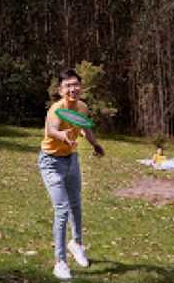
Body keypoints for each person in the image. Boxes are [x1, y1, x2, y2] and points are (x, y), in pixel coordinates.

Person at [38, 69, 105, 281]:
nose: (72, 89)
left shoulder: (82, 107)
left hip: (71, 160)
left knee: (76, 204)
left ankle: (76, 244)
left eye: (75, 85)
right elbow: (51, 131)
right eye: (67, 85)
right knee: (62, 209)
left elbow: (85, 128)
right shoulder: (55, 110)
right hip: (51, 162)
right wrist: (63, 137)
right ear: (60, 90)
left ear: (80, 88)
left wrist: (95, 144)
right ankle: (60, 262)